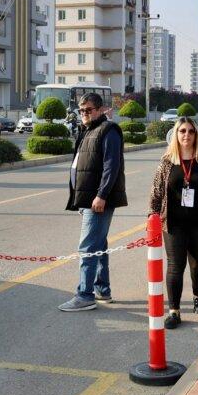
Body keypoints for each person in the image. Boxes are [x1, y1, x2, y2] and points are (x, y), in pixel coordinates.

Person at [148, 117, 198, 328]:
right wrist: (153, 216)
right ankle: (174, 311)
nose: (186, 135)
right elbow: (156, 192)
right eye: (182, 131)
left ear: (196, 135)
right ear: (176, 134)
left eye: (191, 131)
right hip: (173, 224)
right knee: (175, 265)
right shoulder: (167, 161)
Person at [59, 92, 127, 312]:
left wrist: (101, 195)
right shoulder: (88, 130)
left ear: (100, 110)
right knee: (99, 245)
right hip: (88, 198)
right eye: (81, 110)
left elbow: (111, 166)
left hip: (98, 199)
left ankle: (84, 295)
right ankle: (102, 290)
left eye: (88, 110)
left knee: (87, 246)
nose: (84, 114)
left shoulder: (108, 131)